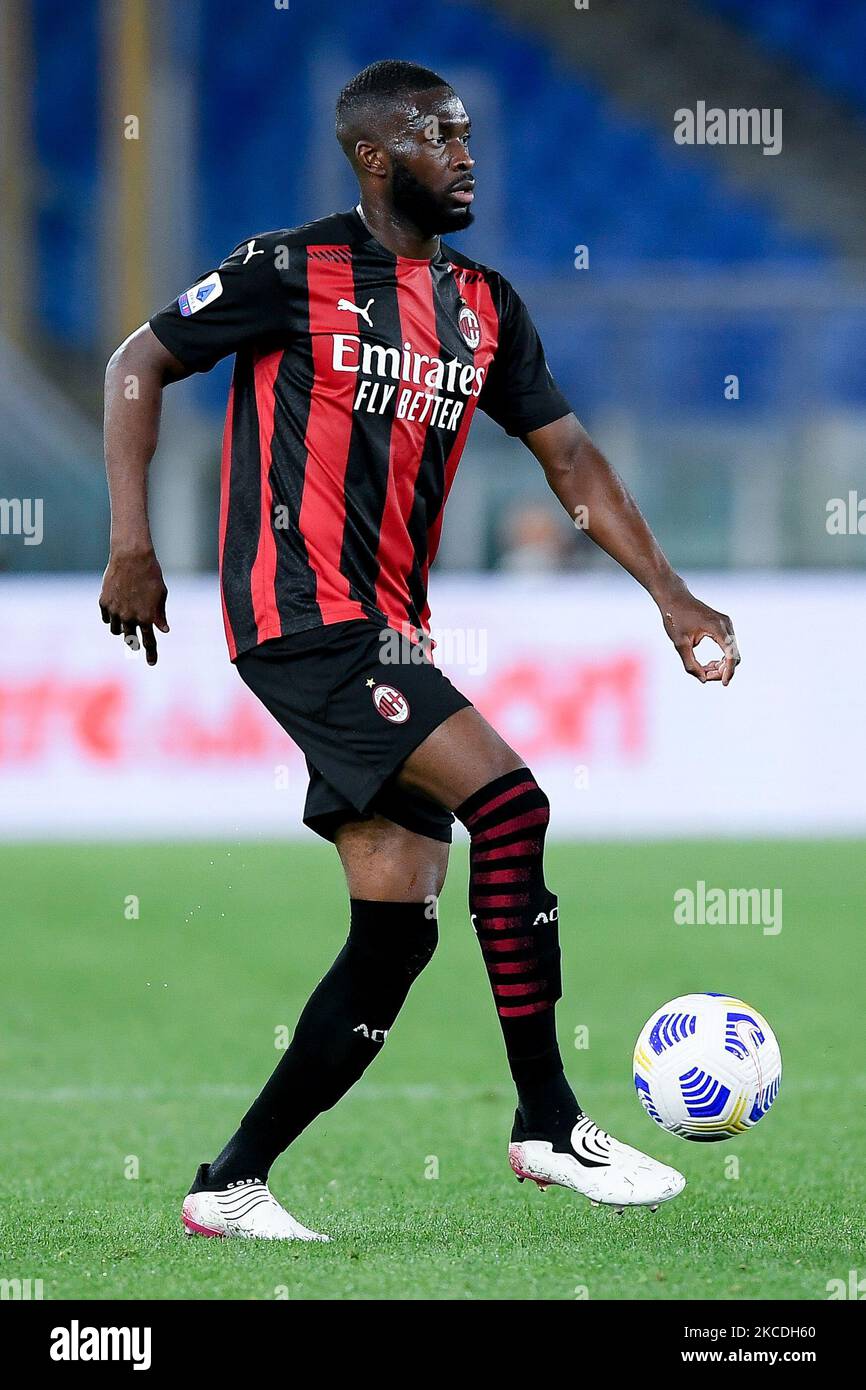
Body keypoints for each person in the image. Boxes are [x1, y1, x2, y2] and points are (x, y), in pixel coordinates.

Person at [100, 59, 739, 1241]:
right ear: (372, 156)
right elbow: (137, 362)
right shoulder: (284, 269)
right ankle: (547, 1120)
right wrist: (131, 543)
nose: (464, 153)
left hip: (388, 628)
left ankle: (229, 1181)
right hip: (304, 617)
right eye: (438, 136)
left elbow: (568, 459)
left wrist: (673, 595)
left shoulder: (485, 305)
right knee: (511, 805)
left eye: (465, 134)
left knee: (396, 925)